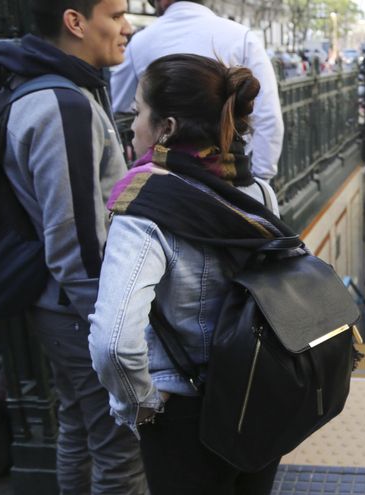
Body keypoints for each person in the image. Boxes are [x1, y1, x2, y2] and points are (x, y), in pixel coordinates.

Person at [89, 54, 286, 494]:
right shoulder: (257, 191)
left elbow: (114, 342)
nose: (133, 123)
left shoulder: (145, 210)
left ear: (167, 127)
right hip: (260, 395)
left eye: (139, 111)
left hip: (186, 414)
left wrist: (139, 407)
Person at [0, 0, 147, 492]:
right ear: (75, 22)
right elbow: (75, 242)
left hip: (58, 305)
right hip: (79, 309)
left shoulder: (56, 88)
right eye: (116, 15)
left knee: (79, 429)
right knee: (119, 451)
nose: (127, 27)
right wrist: (112, 326)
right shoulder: (64, 105)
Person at [110, 0, 284, 182]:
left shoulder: (140, 42)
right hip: (231, 170)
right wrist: (261, 179)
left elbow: (119, 104)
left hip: (161, 172)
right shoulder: (242, 37)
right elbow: (268, 117)